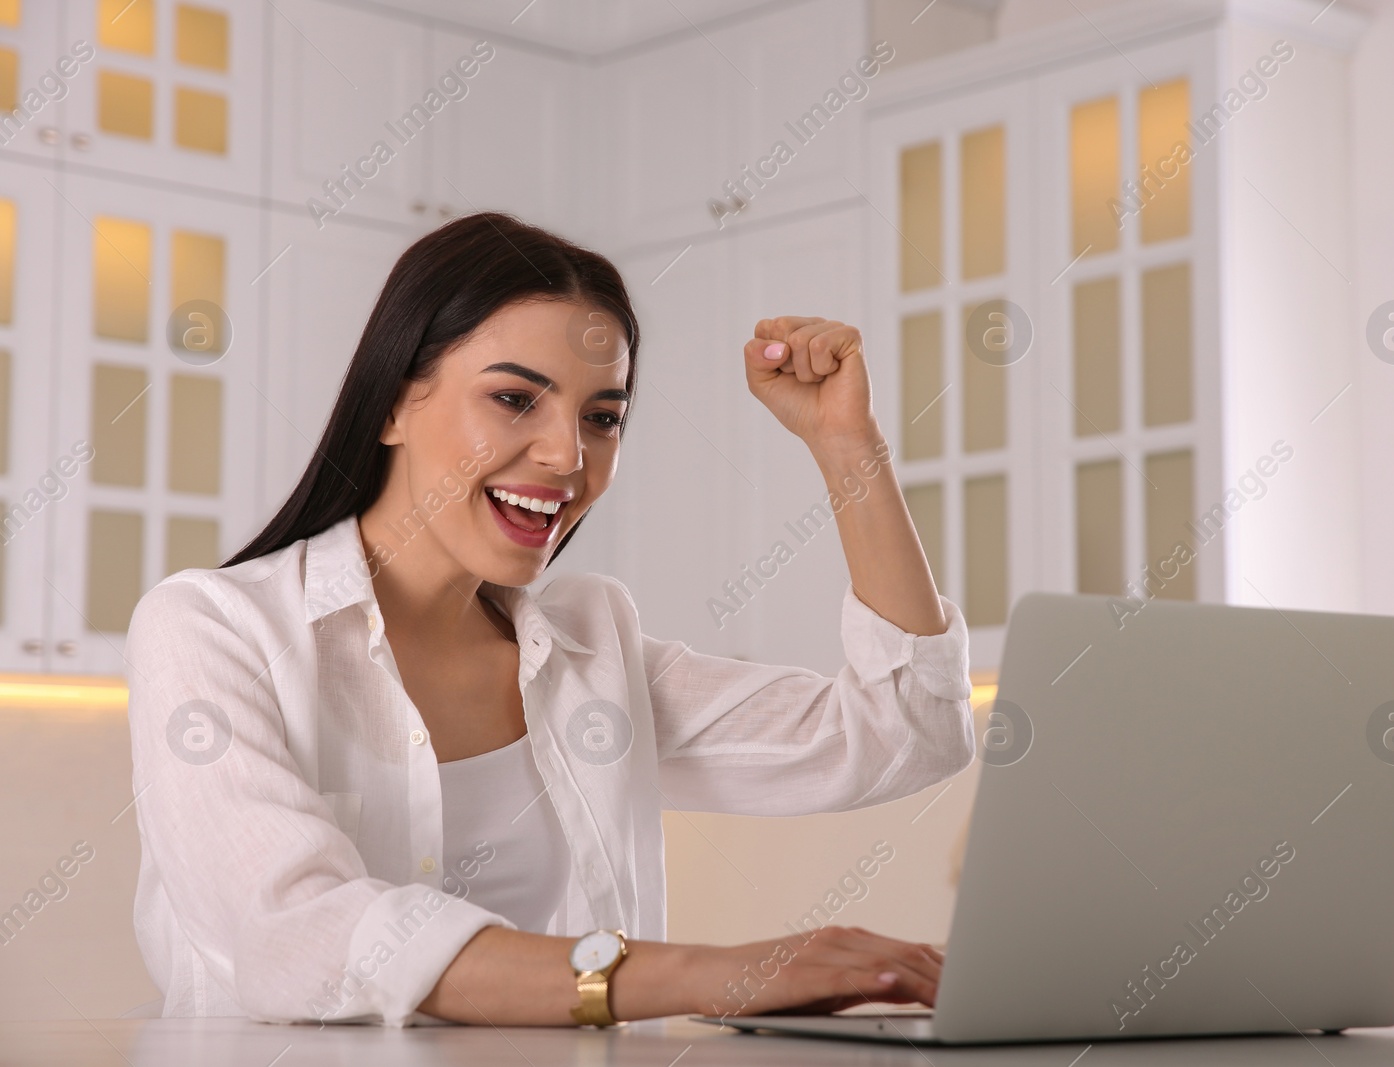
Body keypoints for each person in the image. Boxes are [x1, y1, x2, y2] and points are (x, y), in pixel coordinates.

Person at [125, 212, 976, 1027]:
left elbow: (909, 729)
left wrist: (847, 445)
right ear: (391, 404)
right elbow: (301, 932)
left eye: (602, 418)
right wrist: (706, 974)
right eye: (513, 399)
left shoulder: (591, 646)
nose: (568, 456)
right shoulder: (213, 628)